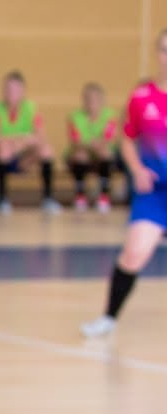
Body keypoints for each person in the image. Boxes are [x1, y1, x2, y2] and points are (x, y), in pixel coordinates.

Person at [81, 29, 167, 338]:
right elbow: (127, 138)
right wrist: (136, 169)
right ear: (158, 54)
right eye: (165, 50)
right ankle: (108, 317)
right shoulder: (142, 98)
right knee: (134, 254)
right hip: (154, 194)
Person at [0, 71, 59, 213]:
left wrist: (21, 143)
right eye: (8, 89)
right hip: (1, 156)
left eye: (15, 89)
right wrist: (19, 141)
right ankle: (2, 198)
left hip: (24, 157)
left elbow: (40, 136)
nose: (11, 93)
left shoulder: (31, 108)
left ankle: (48, 198)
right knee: (3, 149)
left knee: (46, 150)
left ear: (22, 91)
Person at [67, 82, 119, 212]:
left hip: (101, 152)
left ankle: (104, 195)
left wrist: (98, 144)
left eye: (95, 99)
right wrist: (90, 144)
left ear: (102, 100)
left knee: (105, 152)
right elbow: (75, 140)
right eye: (88, 99)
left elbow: (109, 137)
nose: (92, 102)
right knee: (80, 155)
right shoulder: (75, 116)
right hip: (83, 152)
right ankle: (80, 195)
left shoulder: (110, 115)